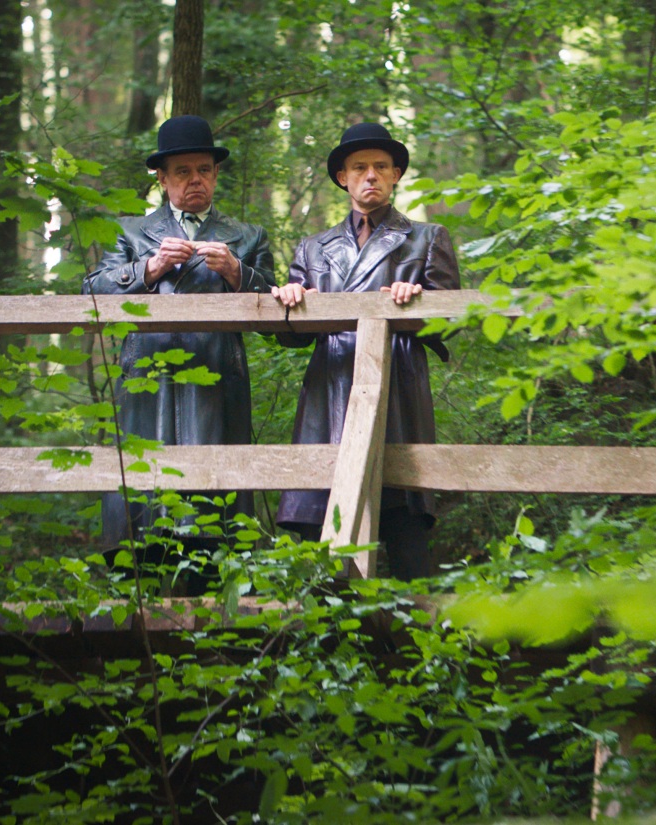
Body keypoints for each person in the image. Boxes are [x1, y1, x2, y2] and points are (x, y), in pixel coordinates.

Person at [83, 115, 276, 585]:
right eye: (184, 172)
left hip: (217, 377)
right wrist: (149, 268)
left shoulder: (247, 237)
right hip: (148, 380)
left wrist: (236, 272)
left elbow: (277, 305)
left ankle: (215, 611)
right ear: (163, 178)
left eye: (204, 170)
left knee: (215, 514)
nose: (196, 180)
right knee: (142, 513)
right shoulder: (130, 233)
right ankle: (139, 615)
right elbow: (91, 294)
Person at [270, 122, 461, 581]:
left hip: (397, 387)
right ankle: (321, 636)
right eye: (359, 167)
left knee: (403, 517)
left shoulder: (427, 238)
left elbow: (452, 320)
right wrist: (291, 303)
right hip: (329, 388)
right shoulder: (312, 247)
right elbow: (290, 336)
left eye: (380, 166)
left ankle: (418, 643)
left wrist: (417, 300)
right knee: (318, 522)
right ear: (343, 178)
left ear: (396, 174)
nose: (370, 175)